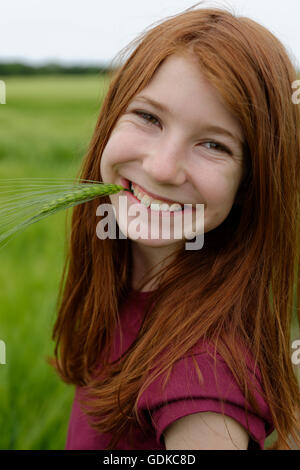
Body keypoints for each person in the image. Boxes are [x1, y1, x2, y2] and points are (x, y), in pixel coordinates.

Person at [48, 3, 300, 450]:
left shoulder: (203, 380)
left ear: (250, 185)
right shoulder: (128, 287)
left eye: (213, 144)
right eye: (148, 117)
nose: (163, 168)